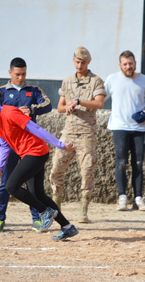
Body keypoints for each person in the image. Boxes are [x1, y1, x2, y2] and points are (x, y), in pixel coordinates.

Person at [0, 90, 79, 241]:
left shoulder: (10, 113)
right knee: (38, 194)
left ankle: (45, 211)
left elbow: (36, 129)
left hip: (36, 152)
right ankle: (67, 227)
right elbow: (4, 146)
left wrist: (61, 145)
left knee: (12, 186)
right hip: (31, 154)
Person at [0, 57, 53, 232]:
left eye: (24, 74)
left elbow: (48, 104)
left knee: (31, 185)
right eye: (17, 74)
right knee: (6, 182)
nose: (21, 77)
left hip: (30, 145)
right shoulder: (1, 92)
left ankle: (38, 218)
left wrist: (33, 109)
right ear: (10, 73)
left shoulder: (33, 90)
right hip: (11, 144)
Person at [49, 47, 106, 223]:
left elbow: (99, 103)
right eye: (77, 62)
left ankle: (83, 211)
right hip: (69, 132)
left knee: (87, 171)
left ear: (88, 63)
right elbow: (59, 107)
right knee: (57, 168)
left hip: (87, 132)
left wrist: (80, 102)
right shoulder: (67, 81)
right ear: (73, 61)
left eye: (83, 63)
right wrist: (66, 107)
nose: (79, 65)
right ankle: (56, 208)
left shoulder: (96, 81)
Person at [104, 50, 145, 211]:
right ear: (120, 65)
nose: (128, 66)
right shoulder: (112, 79)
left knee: (138, 163)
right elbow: (100, 98)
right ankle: (122, 197)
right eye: (125, 64)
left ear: (135, 63)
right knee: (121, 162)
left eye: (131, 63)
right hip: (119, 127)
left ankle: (138, 198)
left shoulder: (144, 80)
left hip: (139, 128)